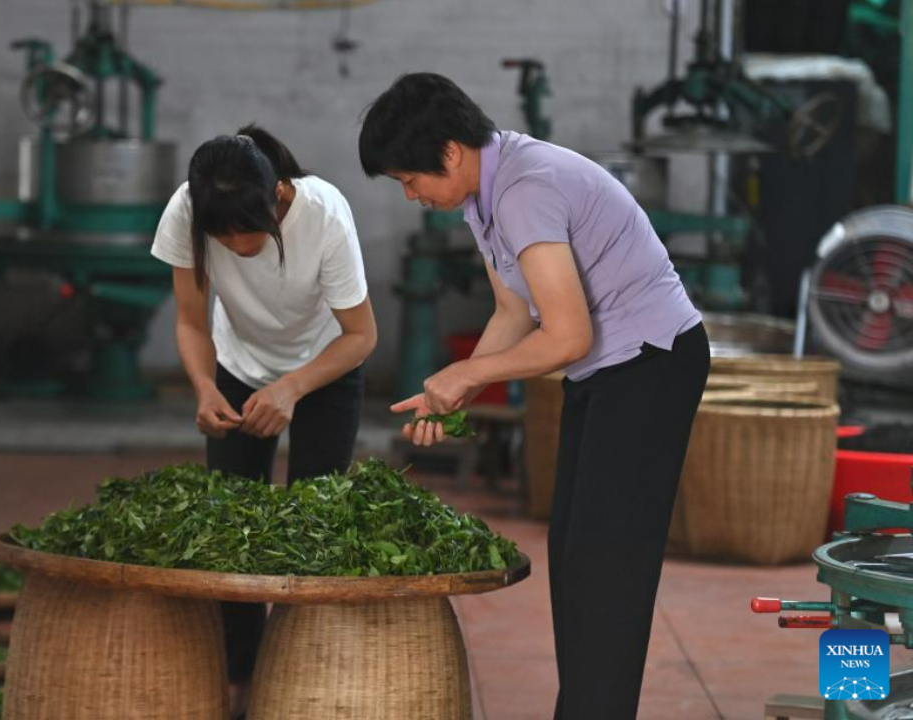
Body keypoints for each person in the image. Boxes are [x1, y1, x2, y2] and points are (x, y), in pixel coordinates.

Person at [358, 73, 710, 720]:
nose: (410, 195)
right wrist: (456, 386)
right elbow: (514, 314)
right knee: (576, 560)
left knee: (607, 571)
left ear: (451, 152)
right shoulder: (483, 195)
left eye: (411, 179)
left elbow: (568, 335)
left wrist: (466, 377)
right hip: (607, 372)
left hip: (651, 365)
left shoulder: (525, 188)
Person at [150, 124, 377, 715]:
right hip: (235, 365)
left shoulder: (325, 214)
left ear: (277, 196)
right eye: (221, 234)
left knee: (314, 524)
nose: (236, 243)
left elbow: (361, 337)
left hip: (325, 369)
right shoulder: (186, 211)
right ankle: (241, 685)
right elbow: (192, 321)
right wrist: (203, 389)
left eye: (248, 229)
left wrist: (293, 388)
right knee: (232, 529)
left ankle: (302, 679)